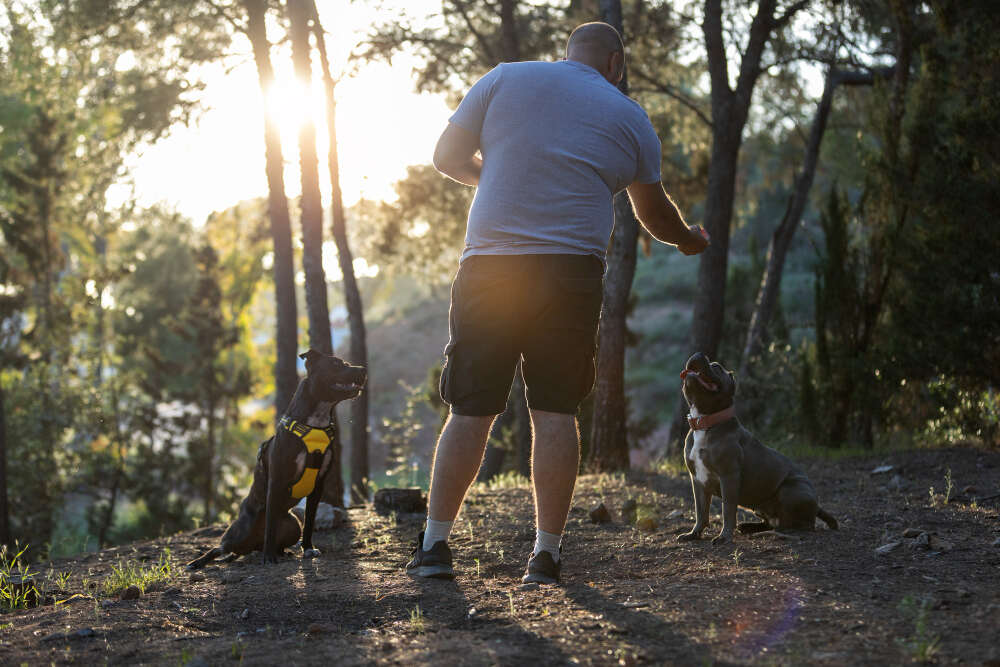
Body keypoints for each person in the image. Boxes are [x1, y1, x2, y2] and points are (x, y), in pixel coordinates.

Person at [406, 21, 709, 585]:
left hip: (490, 268)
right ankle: (545, 555)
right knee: (555, 413)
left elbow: (447, 156)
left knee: (469, 410)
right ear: (615, 63)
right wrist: (689, 238)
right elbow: (653, 214)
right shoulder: (628, 116)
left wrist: (495, 175)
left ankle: (434, 547)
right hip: (568, 274)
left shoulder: (503, 80)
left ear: (567, 52)